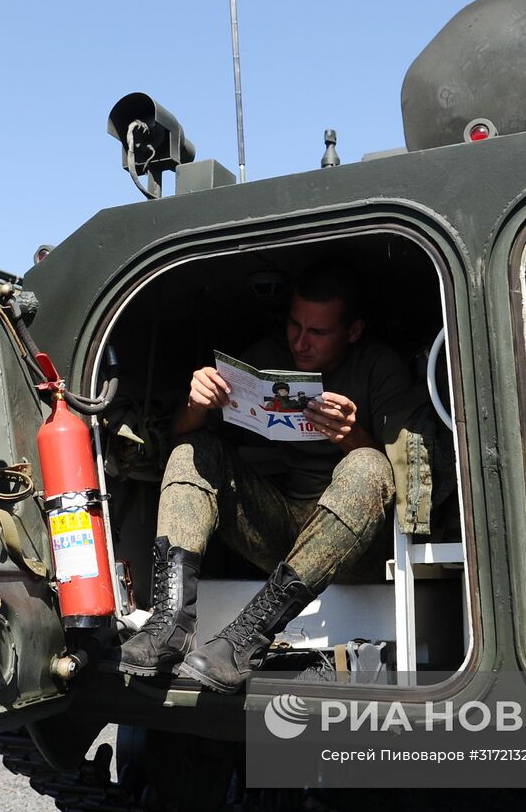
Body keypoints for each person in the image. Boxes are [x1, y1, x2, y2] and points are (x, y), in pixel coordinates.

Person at [115, 263, 412, 692]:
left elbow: (404, 480)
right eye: (295, 325)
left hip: (357, 547)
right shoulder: (268, 357)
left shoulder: (379, 368)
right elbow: (181, 434)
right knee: (193, 448)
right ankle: (169, 625)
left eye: (318, 332)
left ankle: (244, 639)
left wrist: (352, 437)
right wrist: (198, 403)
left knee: (368, 464)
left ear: (352, 331)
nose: (301, 342)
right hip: (286, 527)